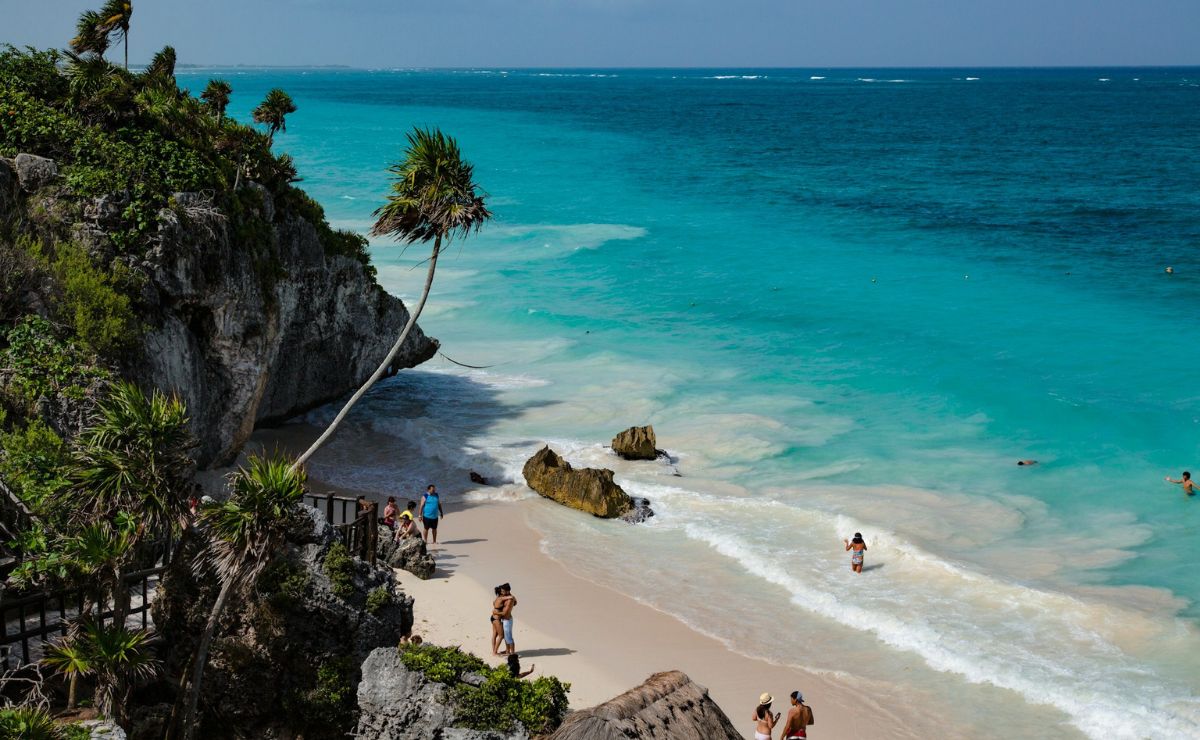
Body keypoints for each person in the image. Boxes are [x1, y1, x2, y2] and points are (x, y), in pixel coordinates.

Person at [498, 583, 517, 655]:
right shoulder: (510, 597)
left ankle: (512, 653)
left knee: (509, 637)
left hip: (507, 620)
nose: (502, 593)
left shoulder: (510, 600)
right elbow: (516, 603)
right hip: (505, 619)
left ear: (507, 591)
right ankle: (507, 651)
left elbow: (504, 613)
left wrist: (495, 613)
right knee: (506, 637)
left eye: (503, 591)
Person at [491, 586, 510, 656]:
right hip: (497, 619)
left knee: (494, 635)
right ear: (500, 592)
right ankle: (495, 652)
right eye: (502, 591)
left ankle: (494, 650)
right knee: (501, 636)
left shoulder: (497, 598)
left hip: (492, 618)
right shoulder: (501, 598)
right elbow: (511, 597)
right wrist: (509, 594)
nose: (503, 592)